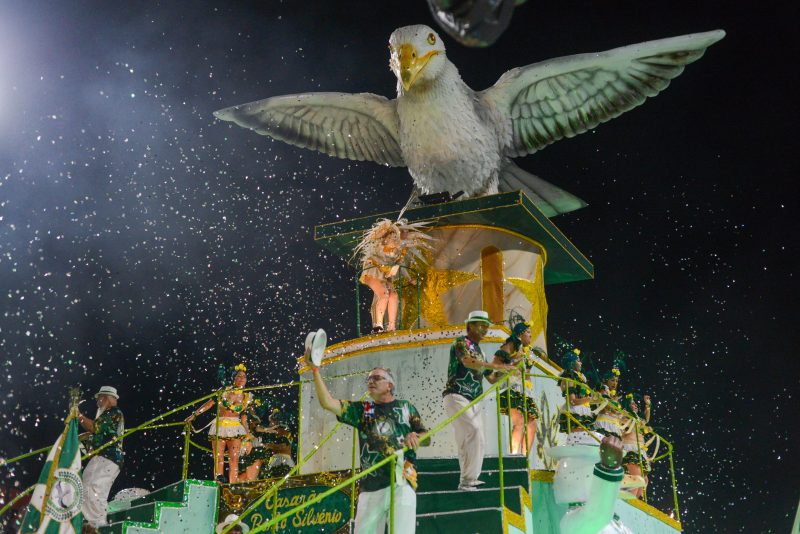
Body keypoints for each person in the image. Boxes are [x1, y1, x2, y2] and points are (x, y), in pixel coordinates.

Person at [311, 352, 428, 534]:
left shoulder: (406, 407)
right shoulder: (364, 410)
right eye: (368, 379)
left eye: (376, 378)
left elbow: (427, 437)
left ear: (389, 385)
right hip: (370, 486)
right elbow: (327, 402)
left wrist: (415, 436)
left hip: (401, 480)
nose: (370, 381)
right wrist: (315, 369)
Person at [442, 310, 517, 490]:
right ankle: (469, 479)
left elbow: (491, 378)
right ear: (470, 326)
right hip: (457, 395)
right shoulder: (461, 342)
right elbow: (468, 362)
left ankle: (465, 482)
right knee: (475, 433)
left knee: (468, 440)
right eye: (481, 325)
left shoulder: (481, 352)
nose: (485, 329)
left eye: (486, 326)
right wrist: (498, 366)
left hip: (473, 400)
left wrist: (510, 372)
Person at [354, 218, 433, 333]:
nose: (395, 239)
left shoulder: (397, 252)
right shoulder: (380, 245)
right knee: (384, 294)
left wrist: (408, 277)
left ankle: (391, 326)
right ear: (387, 237)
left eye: (397, 238)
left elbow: (397, 265)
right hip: (373, 271)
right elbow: (375, 258)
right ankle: (378, 326)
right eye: (393, 237)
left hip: (386, 274)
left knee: (394, 296)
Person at [186, 363, 254, 484]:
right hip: (221, 425)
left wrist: (248, 437)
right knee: (219, 457)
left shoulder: (247, 397)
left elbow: (244, 419)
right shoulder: (224, 391)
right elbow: (210, 403)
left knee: (234, 459)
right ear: (234, 378)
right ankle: (219, 481)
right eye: (239, 376)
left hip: (235, 428)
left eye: (244, 377)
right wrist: (195, 414)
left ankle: (233, 485)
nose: (242, 379)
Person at [77, 386, 124, 530]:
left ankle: (96, 525)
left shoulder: (113, 412)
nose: (98, 402)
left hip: (106, 457)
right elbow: (102, 433)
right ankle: (97, 525)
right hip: (110, 458)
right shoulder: (111, 415)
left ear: (107, 398)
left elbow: (95, 428)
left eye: (100, 399)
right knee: (96, 490)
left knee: (90, 488)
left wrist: (78, 415)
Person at [492, 321, 539, 455]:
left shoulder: (528, 351)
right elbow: (496, 366)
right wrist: (513, 364)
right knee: (519, 423)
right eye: (528, 333)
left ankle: (524, 458)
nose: (531, 336)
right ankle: (513, 458)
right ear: (520, 334)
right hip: (513, 386)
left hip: (526, 389)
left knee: (531, 423)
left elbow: (527, 373)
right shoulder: (511, 345)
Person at [620, 393, 653, 498]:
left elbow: (646, 420)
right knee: (636, 476)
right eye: (632, 404)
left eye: (636, 404)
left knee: (644, 479)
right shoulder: (625, 416)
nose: (635, 405)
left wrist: (648, 405)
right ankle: (630, 500)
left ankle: (637, 501)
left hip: (639, 449)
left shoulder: (638, 419)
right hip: (630, 447)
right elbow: (622, 430)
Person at [558, 349, 594, 433]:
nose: (581, 363)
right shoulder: (568, 378)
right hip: (575, 412)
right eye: (578, 361)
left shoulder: (580, 378)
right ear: (571, 363)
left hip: (583, 412)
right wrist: (589, 399)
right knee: (577, 440)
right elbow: (572, 401)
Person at [593, 367, 624, 438]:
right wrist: (616, 409)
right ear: (606, 380)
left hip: (613, 425)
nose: (615, 383)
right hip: (604, 423)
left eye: (616, 381)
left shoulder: (613, 395)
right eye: (612, 380)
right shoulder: (604, 389)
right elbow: (605, 408)